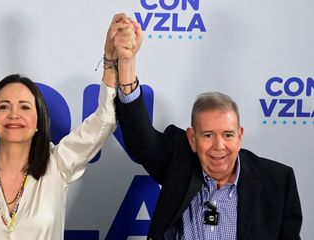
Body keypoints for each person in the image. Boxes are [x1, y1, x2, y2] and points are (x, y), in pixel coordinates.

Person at [0, 15, 135, 240]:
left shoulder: (57, 166)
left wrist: (112, 61)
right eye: (4, 106)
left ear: (38, 121)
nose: (14, 114)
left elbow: (104, 120)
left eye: (25, 107)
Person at [112, 15, 303, 240]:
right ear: (192, 139)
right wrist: (126, 63)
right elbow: (140, 142)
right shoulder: (179, 161)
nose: (219, 146)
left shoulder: (277, 182)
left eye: (228, 135)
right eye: (208, 135)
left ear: (240, 136)